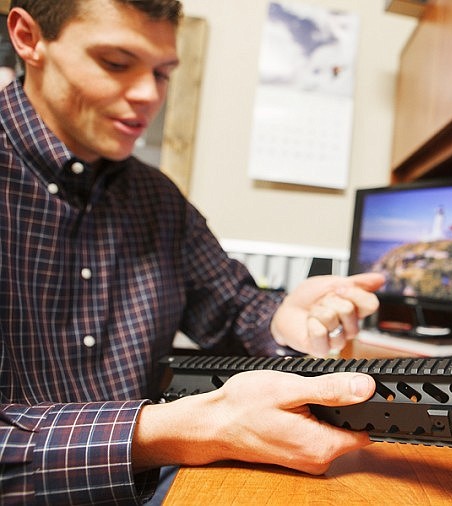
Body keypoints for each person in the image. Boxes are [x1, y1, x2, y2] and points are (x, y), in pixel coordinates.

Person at [0, 0, 385, 504]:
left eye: (162, 74)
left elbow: (233, 308)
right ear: (28, 38)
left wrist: (285, 317)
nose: (147, 95)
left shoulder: (157, 199)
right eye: (116, 63)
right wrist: (174, 430)